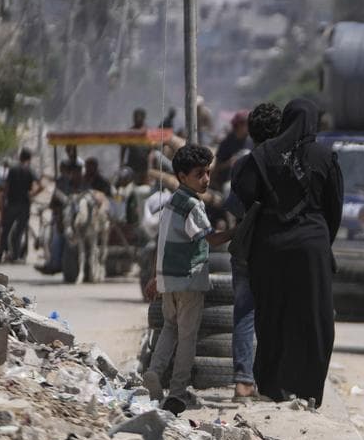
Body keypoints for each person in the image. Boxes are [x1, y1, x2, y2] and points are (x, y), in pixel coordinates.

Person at [232, 98, 343, 407]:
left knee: (272, 316)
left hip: (269, 247)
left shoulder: (263, 155)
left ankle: (271, 386)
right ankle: (309, 391)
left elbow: (243, 196)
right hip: (312, 246)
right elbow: (334, 207)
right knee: (315, 319)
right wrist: (320, 240)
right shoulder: (325, 156)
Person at [143, 144, 232, 415]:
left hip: (168, 281)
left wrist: (156, 277)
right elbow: (211, 239)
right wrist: (239, 230)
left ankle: (155, 371)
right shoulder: (192, 205)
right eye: (199, 174)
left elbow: (162, 243)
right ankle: (178, 392)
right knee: (187, 337)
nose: (206, 179)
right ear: (182, 176)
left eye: (208, 172)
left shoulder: (171, 202)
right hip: (189, 281)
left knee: (169, 328)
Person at [224, 102, 283, 400]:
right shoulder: (286, 165)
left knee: (244, 313)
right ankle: (273, 381)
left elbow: (234, 208)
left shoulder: (242, 165)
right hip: (277, 248)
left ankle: (243, 382)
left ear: (251, 133)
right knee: (276, 314)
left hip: (247, 247)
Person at [0, 149, 41, 263]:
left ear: (20, 157)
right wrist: (32, 194)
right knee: (19, 232)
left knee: (6, 230)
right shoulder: (30, 170)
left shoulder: (13, 169)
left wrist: (3, 201)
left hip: (12, 204)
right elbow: (41, 185)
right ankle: (16, 256)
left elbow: (6, 187)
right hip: (24, 205)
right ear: (29, 159)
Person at [212, 111, 252, 190]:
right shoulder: (226, 143)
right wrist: (229, 163)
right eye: (247, 124)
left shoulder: (251, 141)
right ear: (239, 125)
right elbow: (217, 168)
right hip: (227, 183)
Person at [121, 108, 152, 182]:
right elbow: (123, 148)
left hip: (144, 164)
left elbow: (152, 149)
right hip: (132, 163)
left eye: (138, 117)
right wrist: (121, 162)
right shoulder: (130, 132)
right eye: (135, 117)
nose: (136, 119)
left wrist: (151, 164)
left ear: (143, 118)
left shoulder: (148, 131)